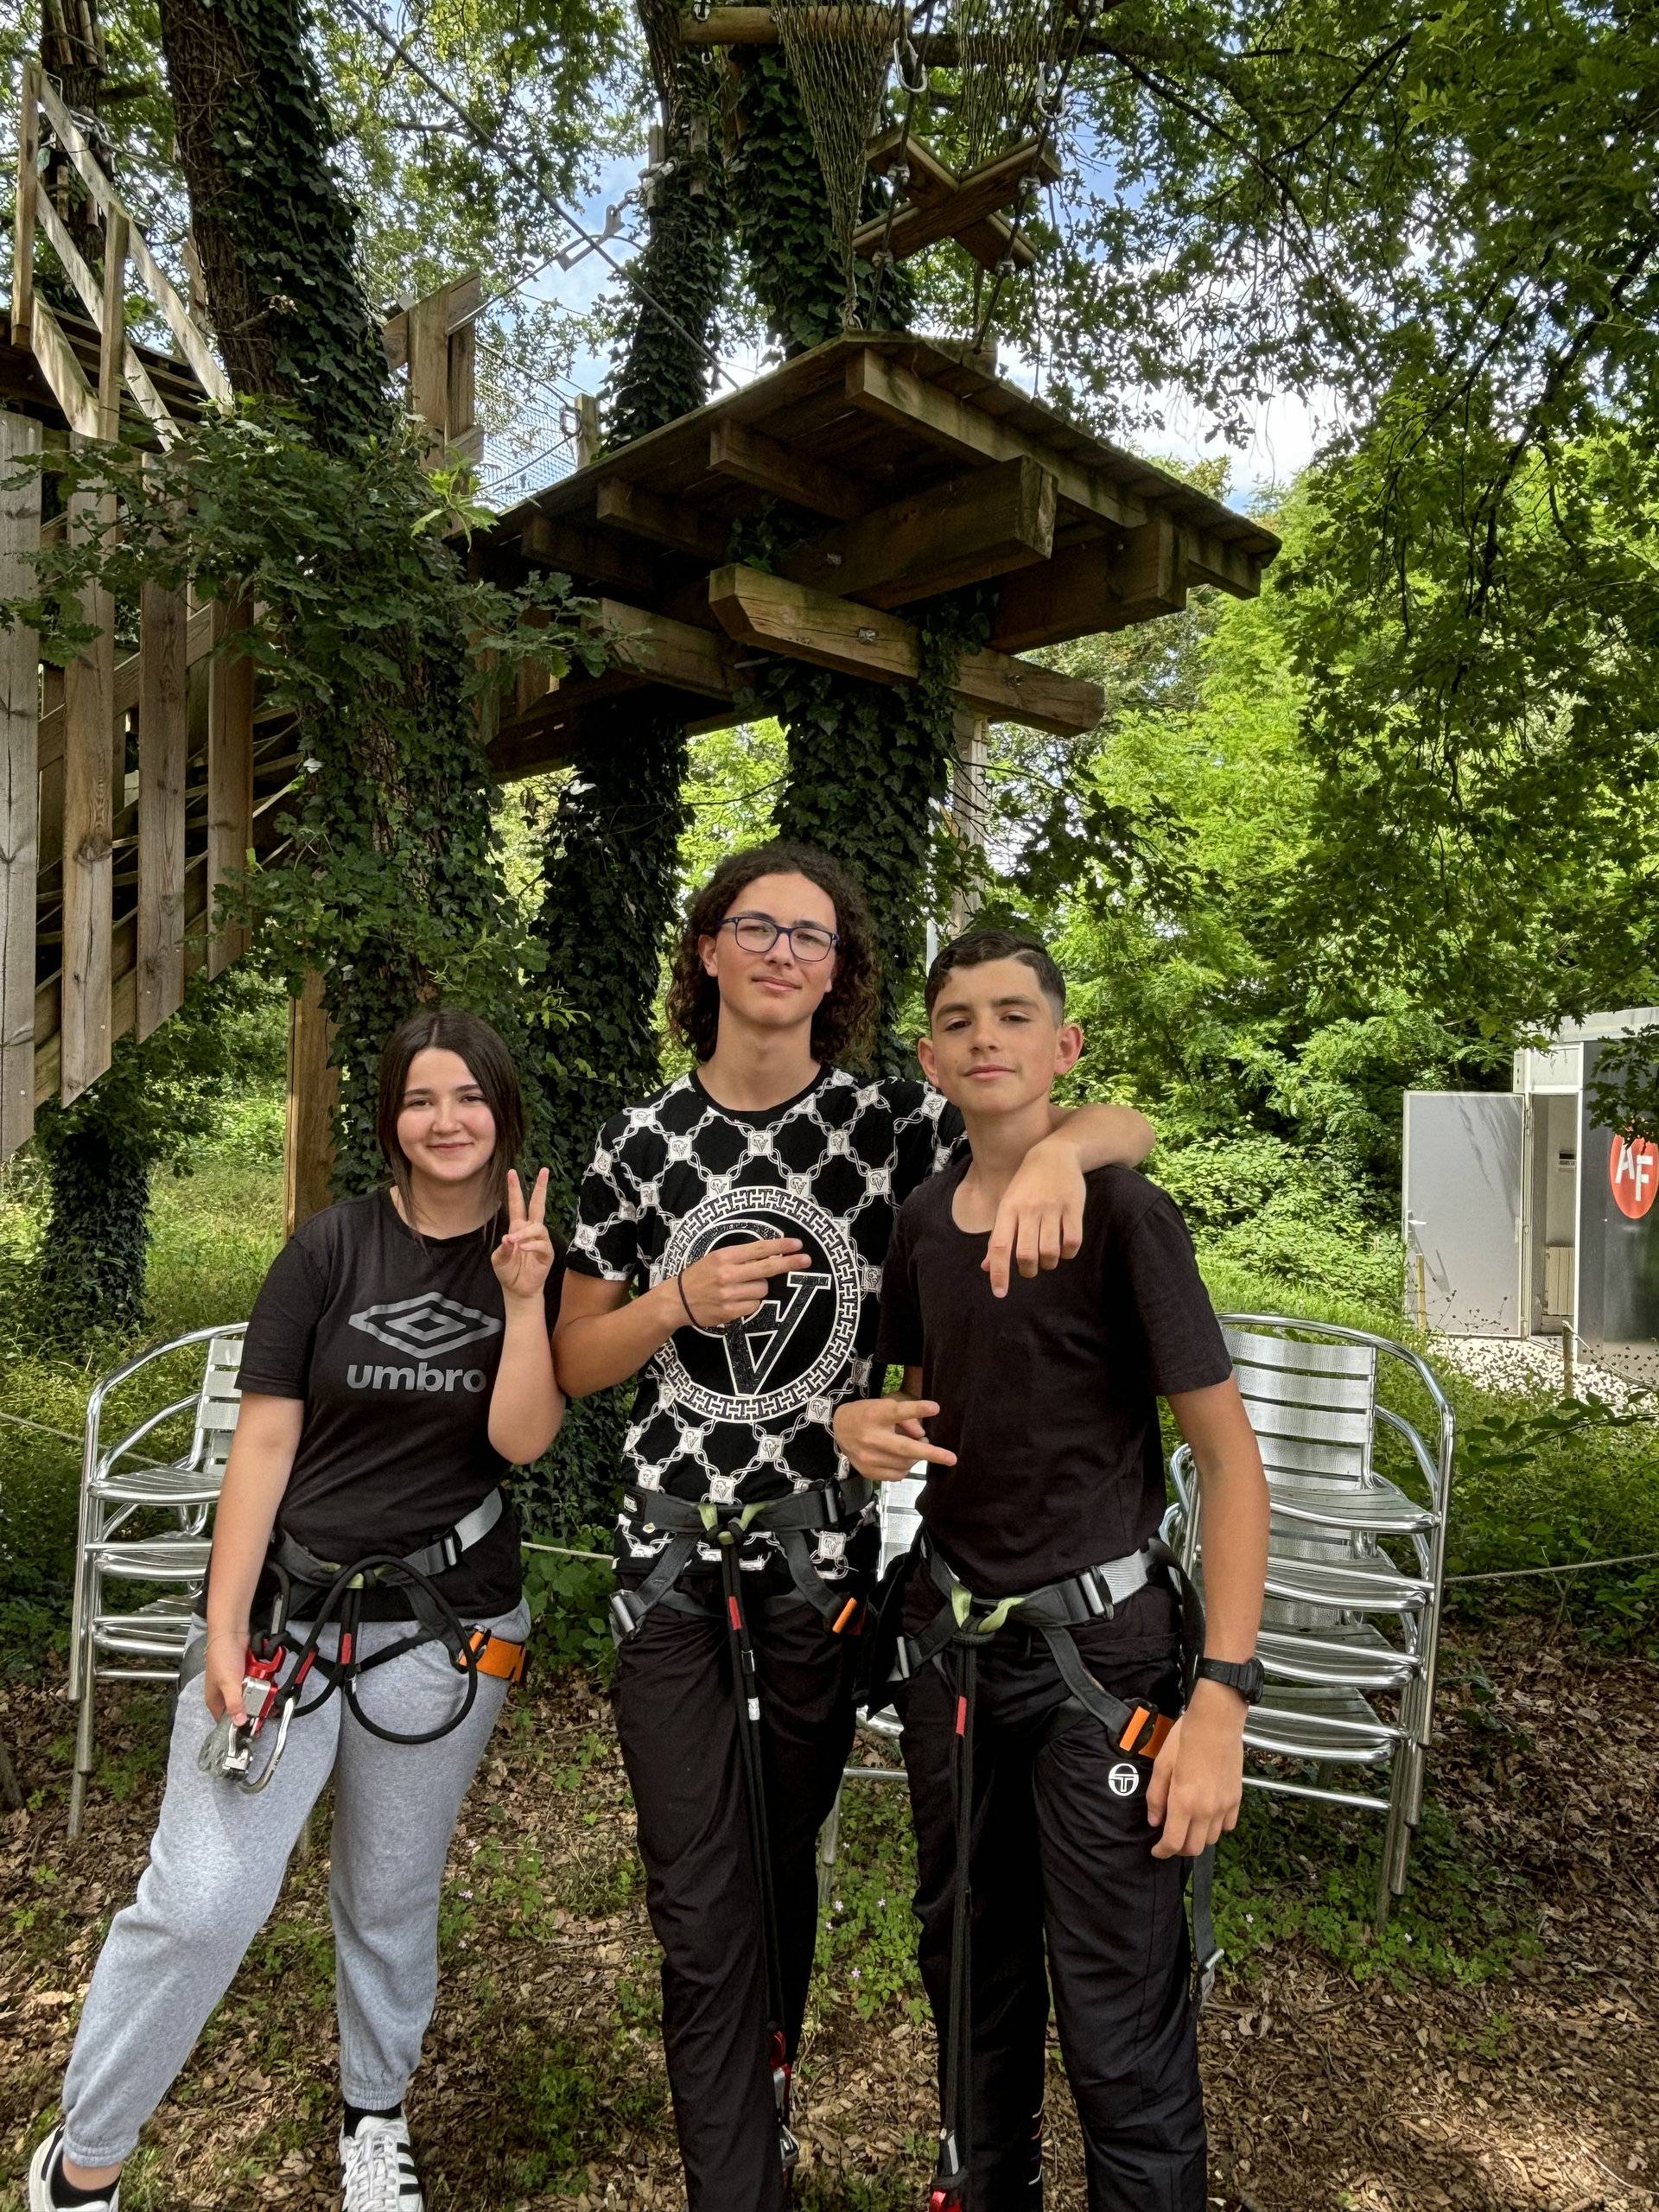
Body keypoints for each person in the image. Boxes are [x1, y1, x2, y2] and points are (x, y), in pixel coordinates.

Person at [553, 842, 1158, 2212]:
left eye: (811, 937)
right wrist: (675, 1304)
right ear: (707, 949)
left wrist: (1062, 1154)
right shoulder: (640, 1141)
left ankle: (760, 2105)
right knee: (697, 1896)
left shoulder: (889, 1124)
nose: (783, 953)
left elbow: (1118, 1125)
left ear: (839, 973)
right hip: (669, 1556)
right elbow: (579, 1360)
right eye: (757, 927)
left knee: (777, 1866)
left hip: (820, 1561)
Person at [29, 1008, 564, 2212]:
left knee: (389, 1895)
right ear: (390, 1117)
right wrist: (222, 1628)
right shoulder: (329, 1248)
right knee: (202, 1898)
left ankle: (375, 2119)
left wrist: (528, 1300)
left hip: (449, 1628)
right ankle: (81, 2165)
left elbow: (522, 1439)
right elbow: (263, 1445)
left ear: (502, 1113)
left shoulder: (532, 1256)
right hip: (290, 1621)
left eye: (468, 1098)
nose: (446, 1120)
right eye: (421, 1098)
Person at [835, 926, 1270, 2211]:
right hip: (955, 1656)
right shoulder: (922, 1225)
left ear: (1064, 1045)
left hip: (1103, 1663)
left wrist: (1222, 1701)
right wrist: (858, 1423)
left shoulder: (1126, 1215)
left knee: (1117, 2016)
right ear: (930, 1059)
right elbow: (925, 1393)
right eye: (959, 1020)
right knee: (970, 1987)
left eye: (1015, 1015)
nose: (987, 1038)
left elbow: (1231, 1467)